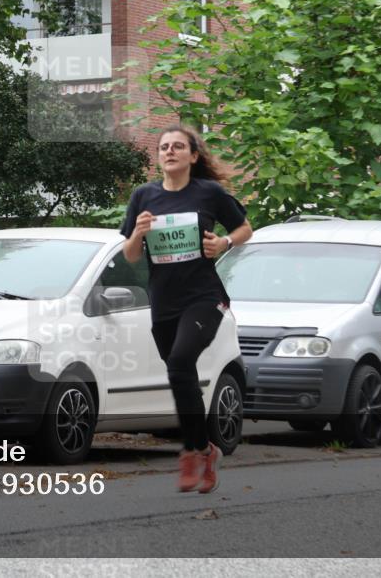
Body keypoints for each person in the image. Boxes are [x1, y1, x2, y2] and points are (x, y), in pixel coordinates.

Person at [120, 125, 252, 494]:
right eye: (164, 147)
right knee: (181, 375)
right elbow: (131, 257)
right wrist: (138, 235)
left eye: (178, 146)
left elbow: (245, 228)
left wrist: (223, 242)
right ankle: (207, 447)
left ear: (193, 156)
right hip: (163, 300)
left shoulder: (208, 193)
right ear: (158, 156)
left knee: (180, 363)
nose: (170, 151)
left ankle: (193, 452)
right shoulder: (143, 196)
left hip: (204, 297)